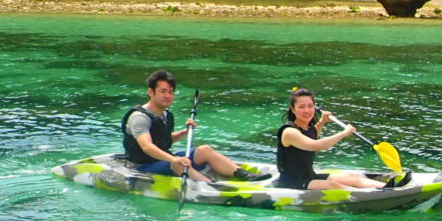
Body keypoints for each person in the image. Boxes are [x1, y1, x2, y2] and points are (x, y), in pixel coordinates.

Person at [121, 70, 270, 183]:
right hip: (141, 168)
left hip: (161, 161)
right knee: (178, 165)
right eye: (163, 91)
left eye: (171, 92)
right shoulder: (140, 117)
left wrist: (185, 132)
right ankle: (210, 186)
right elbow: (147, 146)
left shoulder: (166, 114)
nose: (168, 96)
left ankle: (243, 175)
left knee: (204, 150)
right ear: (151, 92)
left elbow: (163, 140)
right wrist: (173, 160)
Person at [276, 87, 411, 190]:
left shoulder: (306, 127)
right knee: (333, 185)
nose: (307, 110)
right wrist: (343, 133)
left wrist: (322, 122)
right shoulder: (289, 132)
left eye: (310, 106)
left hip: (309, 176)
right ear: (292, 109)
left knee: (351, 178)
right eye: (301, 107)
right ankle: (371, 197)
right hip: (292, 182)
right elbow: (315, 145)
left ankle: (387, 188)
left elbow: (312, 135)